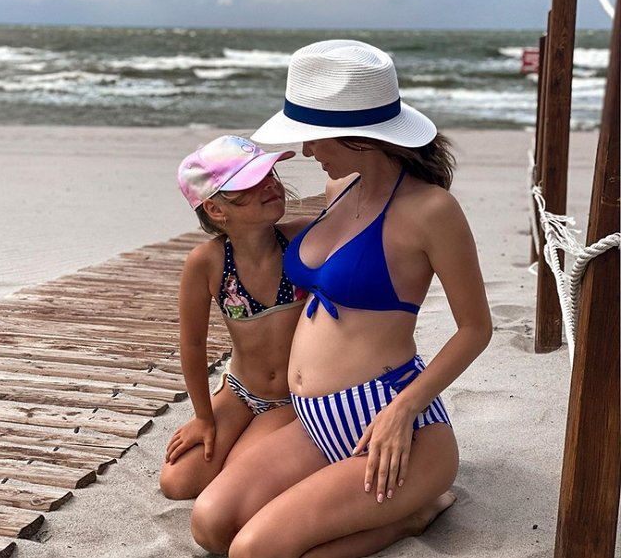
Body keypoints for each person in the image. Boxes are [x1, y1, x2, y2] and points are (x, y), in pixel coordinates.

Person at [191, 40, 492, 557]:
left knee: (252, 551)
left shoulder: (431, 211)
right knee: (210, 525)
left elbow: (476, 328)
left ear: (359, 138)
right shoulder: (339, 191)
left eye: (314, 137)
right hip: (314, 421)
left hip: (391, 424)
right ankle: (399, 514)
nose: (308, 152)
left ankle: (412, 516)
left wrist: (402, 410)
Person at [159, 135, 311, 500]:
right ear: (215, 209)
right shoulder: (207, 263)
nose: (270, 184)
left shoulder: (304, 238)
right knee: (177, 483)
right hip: (241, 391)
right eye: (252, 182)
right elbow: (192, 345)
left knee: (236, 480)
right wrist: (203, 417)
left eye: (270, 174)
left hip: (293, 399)